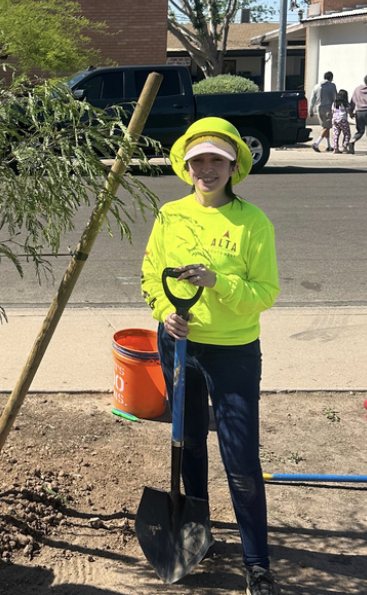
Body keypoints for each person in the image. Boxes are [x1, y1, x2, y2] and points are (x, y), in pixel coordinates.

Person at [141, 117, 280, 595]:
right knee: (191, 443)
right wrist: (164, 312)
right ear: (186, 165)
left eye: (216, 159)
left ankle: (257, 565)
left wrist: (217, 282)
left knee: (240, 461)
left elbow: (266, 292)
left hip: (233, 352)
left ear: (233, 164)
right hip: (178, 346)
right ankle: (198, 532)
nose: (206, 168)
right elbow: (149, 274)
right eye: (198, 160)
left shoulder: (252, 222)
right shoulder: (169, 215)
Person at [310, 71, 337, 152]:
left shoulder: (316, 86)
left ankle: (328, 145)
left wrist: (311, 109)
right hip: (328, 108)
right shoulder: (332, 86)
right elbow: (335, 97)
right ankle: (316, 143)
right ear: (331, 78)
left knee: (325, 126)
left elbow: (312, 99)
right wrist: (337, 109)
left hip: (319, 108)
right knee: (327, 127)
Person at [347, 75, 367, 155]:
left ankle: (352, 141)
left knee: (360, 131)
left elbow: (352, 101)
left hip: (359, 112)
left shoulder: (357, 89)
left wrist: (350, 111)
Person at [331, 89, 351, 154]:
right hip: (343, 119)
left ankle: (335, 148)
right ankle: (344, 147)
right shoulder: (345, 104)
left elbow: (332, 111)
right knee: (347, 133)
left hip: (335, 120)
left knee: (335, 134)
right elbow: (348, 111)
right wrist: (351, 114)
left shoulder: (335, 103)